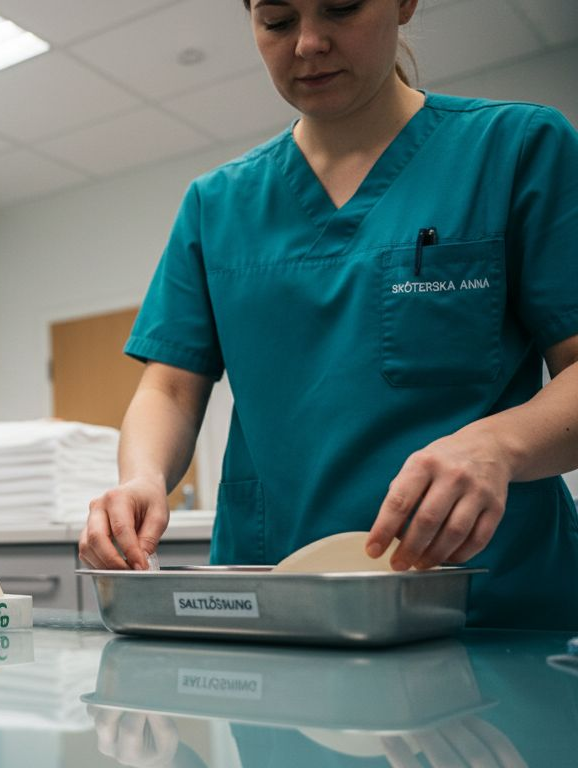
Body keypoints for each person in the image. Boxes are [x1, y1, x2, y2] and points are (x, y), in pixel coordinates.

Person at [79, 0, 578, 628]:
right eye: (278, 21)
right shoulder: (217, 204)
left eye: (341, 8)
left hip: (490, 607)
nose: (308, 43)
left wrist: (497, 446)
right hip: (278, 608)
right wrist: (142, 479)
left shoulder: (517, 149)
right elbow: (171, 389)